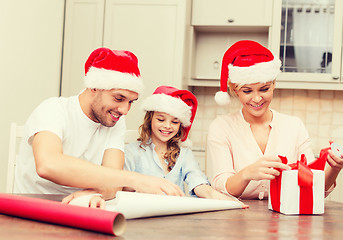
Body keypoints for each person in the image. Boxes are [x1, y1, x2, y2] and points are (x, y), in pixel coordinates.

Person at [14, 48, 184, 203]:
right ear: (94, 87)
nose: (125, 110)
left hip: (79, 206)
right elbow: (48, 165)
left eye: (131, 102)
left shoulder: (115, 122)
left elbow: (114, 183)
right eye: (118, 98)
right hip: (33, 207)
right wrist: (136, 179)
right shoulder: (53, 109)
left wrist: (92, 193)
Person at [206, 40, 342, 200]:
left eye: (264, 89)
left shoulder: (294, 126)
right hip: (236, 218)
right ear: (235, 90)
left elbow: (313, 187)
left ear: (273, 85)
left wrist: (334, 169)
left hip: (286, 216)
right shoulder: (221, 127)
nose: (257, 99)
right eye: (247, 91)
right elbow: (222, 185)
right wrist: (247, 174)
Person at [124, 85, 237, 200]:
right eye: (161, 119)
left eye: (174, 122)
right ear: (150, 119)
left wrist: (214, 195)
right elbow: (122, 188)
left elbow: (197, 181)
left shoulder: (184, 154)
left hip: (175, 214)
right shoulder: (132, 151)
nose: (167, 126)